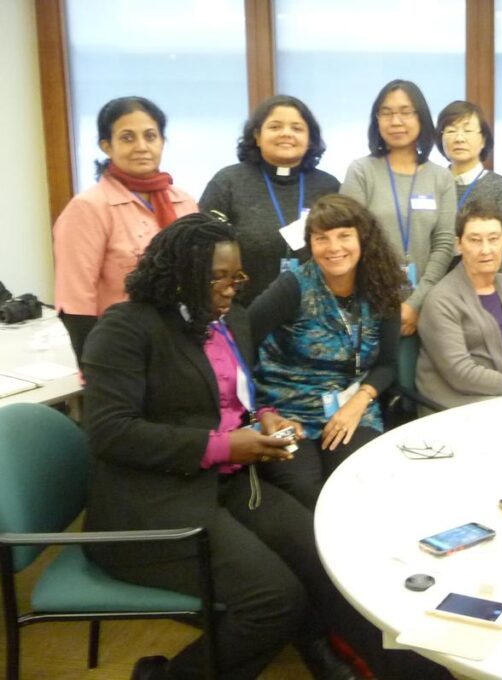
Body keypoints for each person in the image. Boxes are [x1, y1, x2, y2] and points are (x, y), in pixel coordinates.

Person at [80, 214, 364, 680]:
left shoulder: (230, 319)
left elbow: (236, 397)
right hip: (153, 502)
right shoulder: (127, 327)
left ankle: (331, 652)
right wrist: (223, 446)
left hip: (228, 483)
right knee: (275, 600)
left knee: (320, 552)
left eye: (238, 277)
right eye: (219, 278)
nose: (232, 288)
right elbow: (110, 432)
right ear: (180, 274)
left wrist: (265, 416)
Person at [249, 195, 401, 511]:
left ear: (363, 238)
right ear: (311, 245)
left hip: (353, 408)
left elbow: (387, 365)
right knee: (305, 491)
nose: (334, 247)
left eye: (344, 235)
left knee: (364, 481)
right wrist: (263, 412)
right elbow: (240, 340)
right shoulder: (292, 287)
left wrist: (359, 403)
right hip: (288, 411)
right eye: (322, 239)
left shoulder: (382, 287)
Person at [53, 96, 198, 360]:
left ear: (162, 142)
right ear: (106, 146)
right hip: (122, 350)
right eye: (128, 138)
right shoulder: (89, 208)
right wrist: (98, 368)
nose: (142, 147)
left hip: (184, 344)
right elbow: (75, 304)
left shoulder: (184, 202)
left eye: (150, 136)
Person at [200, 95, 340, 305]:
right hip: (242, 309)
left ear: (310, 139)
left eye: (297, 128)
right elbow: (203, 246)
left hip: (314, 313)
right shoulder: (228, 181)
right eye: (275, 127)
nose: (286, 134)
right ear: (257, 135)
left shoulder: (328, 186)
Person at [341, 79, 456, 336]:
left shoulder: (441, 178)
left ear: (421, 118)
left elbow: (444, 243)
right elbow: (348, 240)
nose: (396, 121)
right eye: (387, 112)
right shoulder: (361, 171)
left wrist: (415, 303)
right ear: (376, 119)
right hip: (369, 303)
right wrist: (386, 304)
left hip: (428, 304)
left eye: (405, 112)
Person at [417, 200, 502, 409]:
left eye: (493, 239)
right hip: (464, 405)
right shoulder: (441, 300)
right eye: (475, 240)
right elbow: (461, 373)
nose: (486, 250)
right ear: (458, 245)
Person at [436, 100, 502, 275]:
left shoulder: (500, 187)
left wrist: (485, 289)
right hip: (437, 292)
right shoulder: (432, 183)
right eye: (451, 130)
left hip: (486, 289)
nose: (459, 138)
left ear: (483, 140)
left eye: (467, 131)